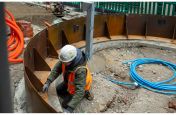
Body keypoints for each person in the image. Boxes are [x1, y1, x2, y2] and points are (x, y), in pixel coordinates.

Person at [42, 45, 93, 113]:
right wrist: (48, 82)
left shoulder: (80, 71)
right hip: (68, 83)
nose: (62, 63)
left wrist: (70, 108)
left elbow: (80, 91)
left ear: (72, 60)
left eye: (64, 62)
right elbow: (56, 69)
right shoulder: (65, 60)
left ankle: (86, 93)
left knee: (65, 105)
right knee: (58, 90)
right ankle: (69, 94)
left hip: (81, 88)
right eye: (62, 61)